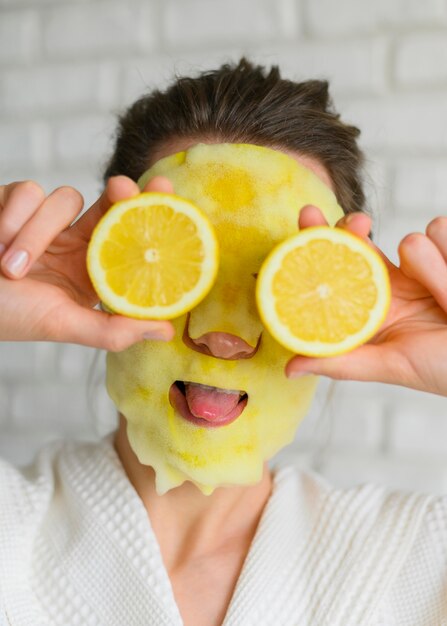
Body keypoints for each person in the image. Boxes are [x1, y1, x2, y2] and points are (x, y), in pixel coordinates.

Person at [0, 58, 446, 626]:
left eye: (271, 280)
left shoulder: (421, 560)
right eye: (190, 268)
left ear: (338, 308)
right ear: (107, 267)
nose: (222, 338)